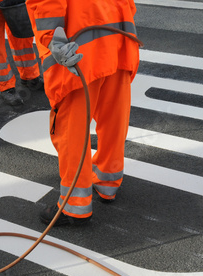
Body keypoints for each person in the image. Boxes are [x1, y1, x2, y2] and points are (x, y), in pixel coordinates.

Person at [25, 0, 141, 226]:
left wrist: (51, 38)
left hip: (77, 51)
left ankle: (74, 206)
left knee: (72, 129)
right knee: (113, 120)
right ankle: (108, 182)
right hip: (118, 41)